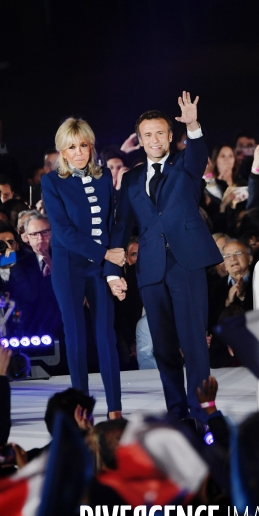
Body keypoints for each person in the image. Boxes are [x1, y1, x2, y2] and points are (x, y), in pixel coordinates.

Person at [106, 92, 222, 422]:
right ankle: (177, 412)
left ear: (170, 136)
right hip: (151, 269)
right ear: (139, 140)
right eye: (147, 135)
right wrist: (112, 270)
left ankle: (202, 412)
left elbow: (198, 155)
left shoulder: (185, 165)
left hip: (186, 264)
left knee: (194, 344)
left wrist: (194, 124)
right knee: (163, 347)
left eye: (160, 133)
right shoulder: (129, 179)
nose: (154, 139)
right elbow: (121, 227)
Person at [41, 118, 124, 419]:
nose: (78, 152)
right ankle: (81, 409)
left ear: (91, 146)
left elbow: (109, 223)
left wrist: (110, 265)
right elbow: (62, 233)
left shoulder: (103, 178)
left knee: (106, 336)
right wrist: (106, 255)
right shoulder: (51, 182)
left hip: (98, 266)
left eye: (84, 145)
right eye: (71, 147)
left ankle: (115, 409)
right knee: (75, 336)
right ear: (62, 151)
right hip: (68, 267)